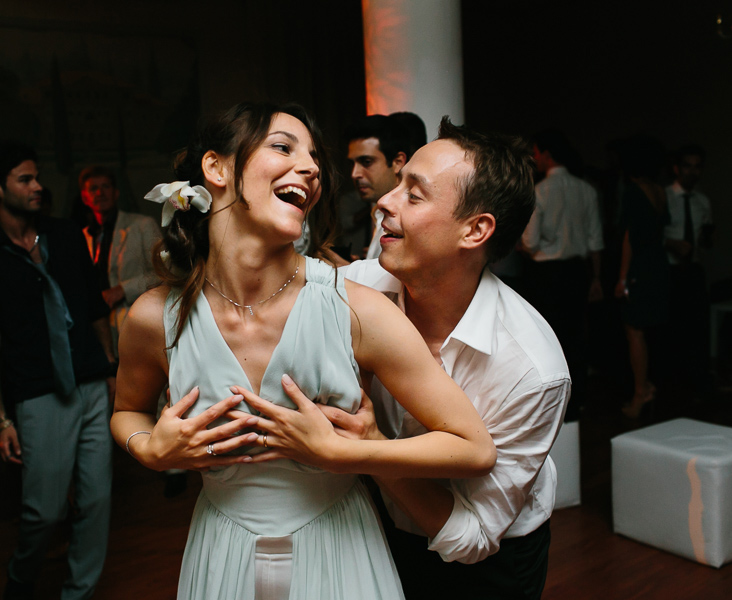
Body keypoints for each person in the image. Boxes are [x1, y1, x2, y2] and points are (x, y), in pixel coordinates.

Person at [111, 102, 495, 600]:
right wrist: (149, 449)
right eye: (282, 147)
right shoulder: (155, 316)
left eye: (314, 157)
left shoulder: (355, 310)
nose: (312, 168)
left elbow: (474, 447)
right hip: (221, 550)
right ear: (216, 168)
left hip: (338, 549)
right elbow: (128, 410)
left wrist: (347, 451)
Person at [243, 118, 570, 599]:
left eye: (414, 195)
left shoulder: (531, 369)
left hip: (489, 564)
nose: (384, 202)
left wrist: (366, 450)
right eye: (397, 184)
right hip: (380, 530)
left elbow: (475, 536)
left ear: (475, 230)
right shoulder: (362, 289)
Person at [0, 142, 115, 600]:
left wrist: (108, 367)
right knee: (44, 512)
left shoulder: (65, 235)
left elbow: (93, 306)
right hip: (38, 393)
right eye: (25, 180)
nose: (37, 187)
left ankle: (78, 593)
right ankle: (22, 579)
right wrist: (1, 418)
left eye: (37, 177)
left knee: (97, 501)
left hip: (89, 381)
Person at [521, 129, 603, 420]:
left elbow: (530, 242)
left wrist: (524, 245)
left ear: (546, 154)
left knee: (547, 338)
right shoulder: (587, 189)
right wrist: (596, 278)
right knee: (577, 335)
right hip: (578, 271)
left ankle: (552, 406)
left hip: (547, 274)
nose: (534, 158)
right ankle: (577, 401)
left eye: (536, 152)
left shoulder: (540, 191)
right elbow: (595, 241)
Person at [614, 135, 670, 418]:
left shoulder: (634, 191)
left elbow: (630, 238)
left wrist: (622, 278)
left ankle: (640, 393)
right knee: (648, 330)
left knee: (634, 331)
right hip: (658, 265)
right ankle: (646, 385)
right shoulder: (660, 191)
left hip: (639, 269)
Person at [78, 165, 161, 352]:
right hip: (101, 334)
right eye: (93, 188)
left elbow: (165, 275)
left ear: (116, 193)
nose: (100, 193)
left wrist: (123, 289)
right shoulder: (83, 236)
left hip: (139, 327)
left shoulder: (142, 225)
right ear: (85, 197)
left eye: (105, 186)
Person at [664, 145, 713, 395]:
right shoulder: (665, 197)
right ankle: (672, 382)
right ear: (676, 168)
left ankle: (696, 382)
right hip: (669, 270)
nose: (692, 171)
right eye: (687, 165)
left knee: (696, 327)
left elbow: (706, 234)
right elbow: (650, 235)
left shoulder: (702, 201)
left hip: (692, 269)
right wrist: (671, 244)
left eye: (697, 166)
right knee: (671, 326)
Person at [344, 115, 411, 259]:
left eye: (366, 162)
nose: (354, 174)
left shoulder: (409, 221)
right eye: (352, 164)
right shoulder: (378, 214)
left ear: (398, 162)